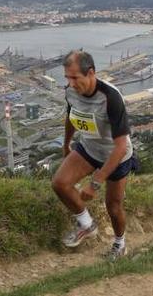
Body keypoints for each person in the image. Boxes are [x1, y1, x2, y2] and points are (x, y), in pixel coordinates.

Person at [51, 50, 138, 261]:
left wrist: (95, 183)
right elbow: (71, 117)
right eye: (67, 78)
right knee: (60, 183)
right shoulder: (70, 92)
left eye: (75, 77)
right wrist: (66, 145)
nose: (71, 83)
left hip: (116, 156)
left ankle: (119, 244)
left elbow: (120, 146)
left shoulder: (110, 97)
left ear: (90, 73)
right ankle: (86, 224)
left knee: (113, 206)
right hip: (89, 147)